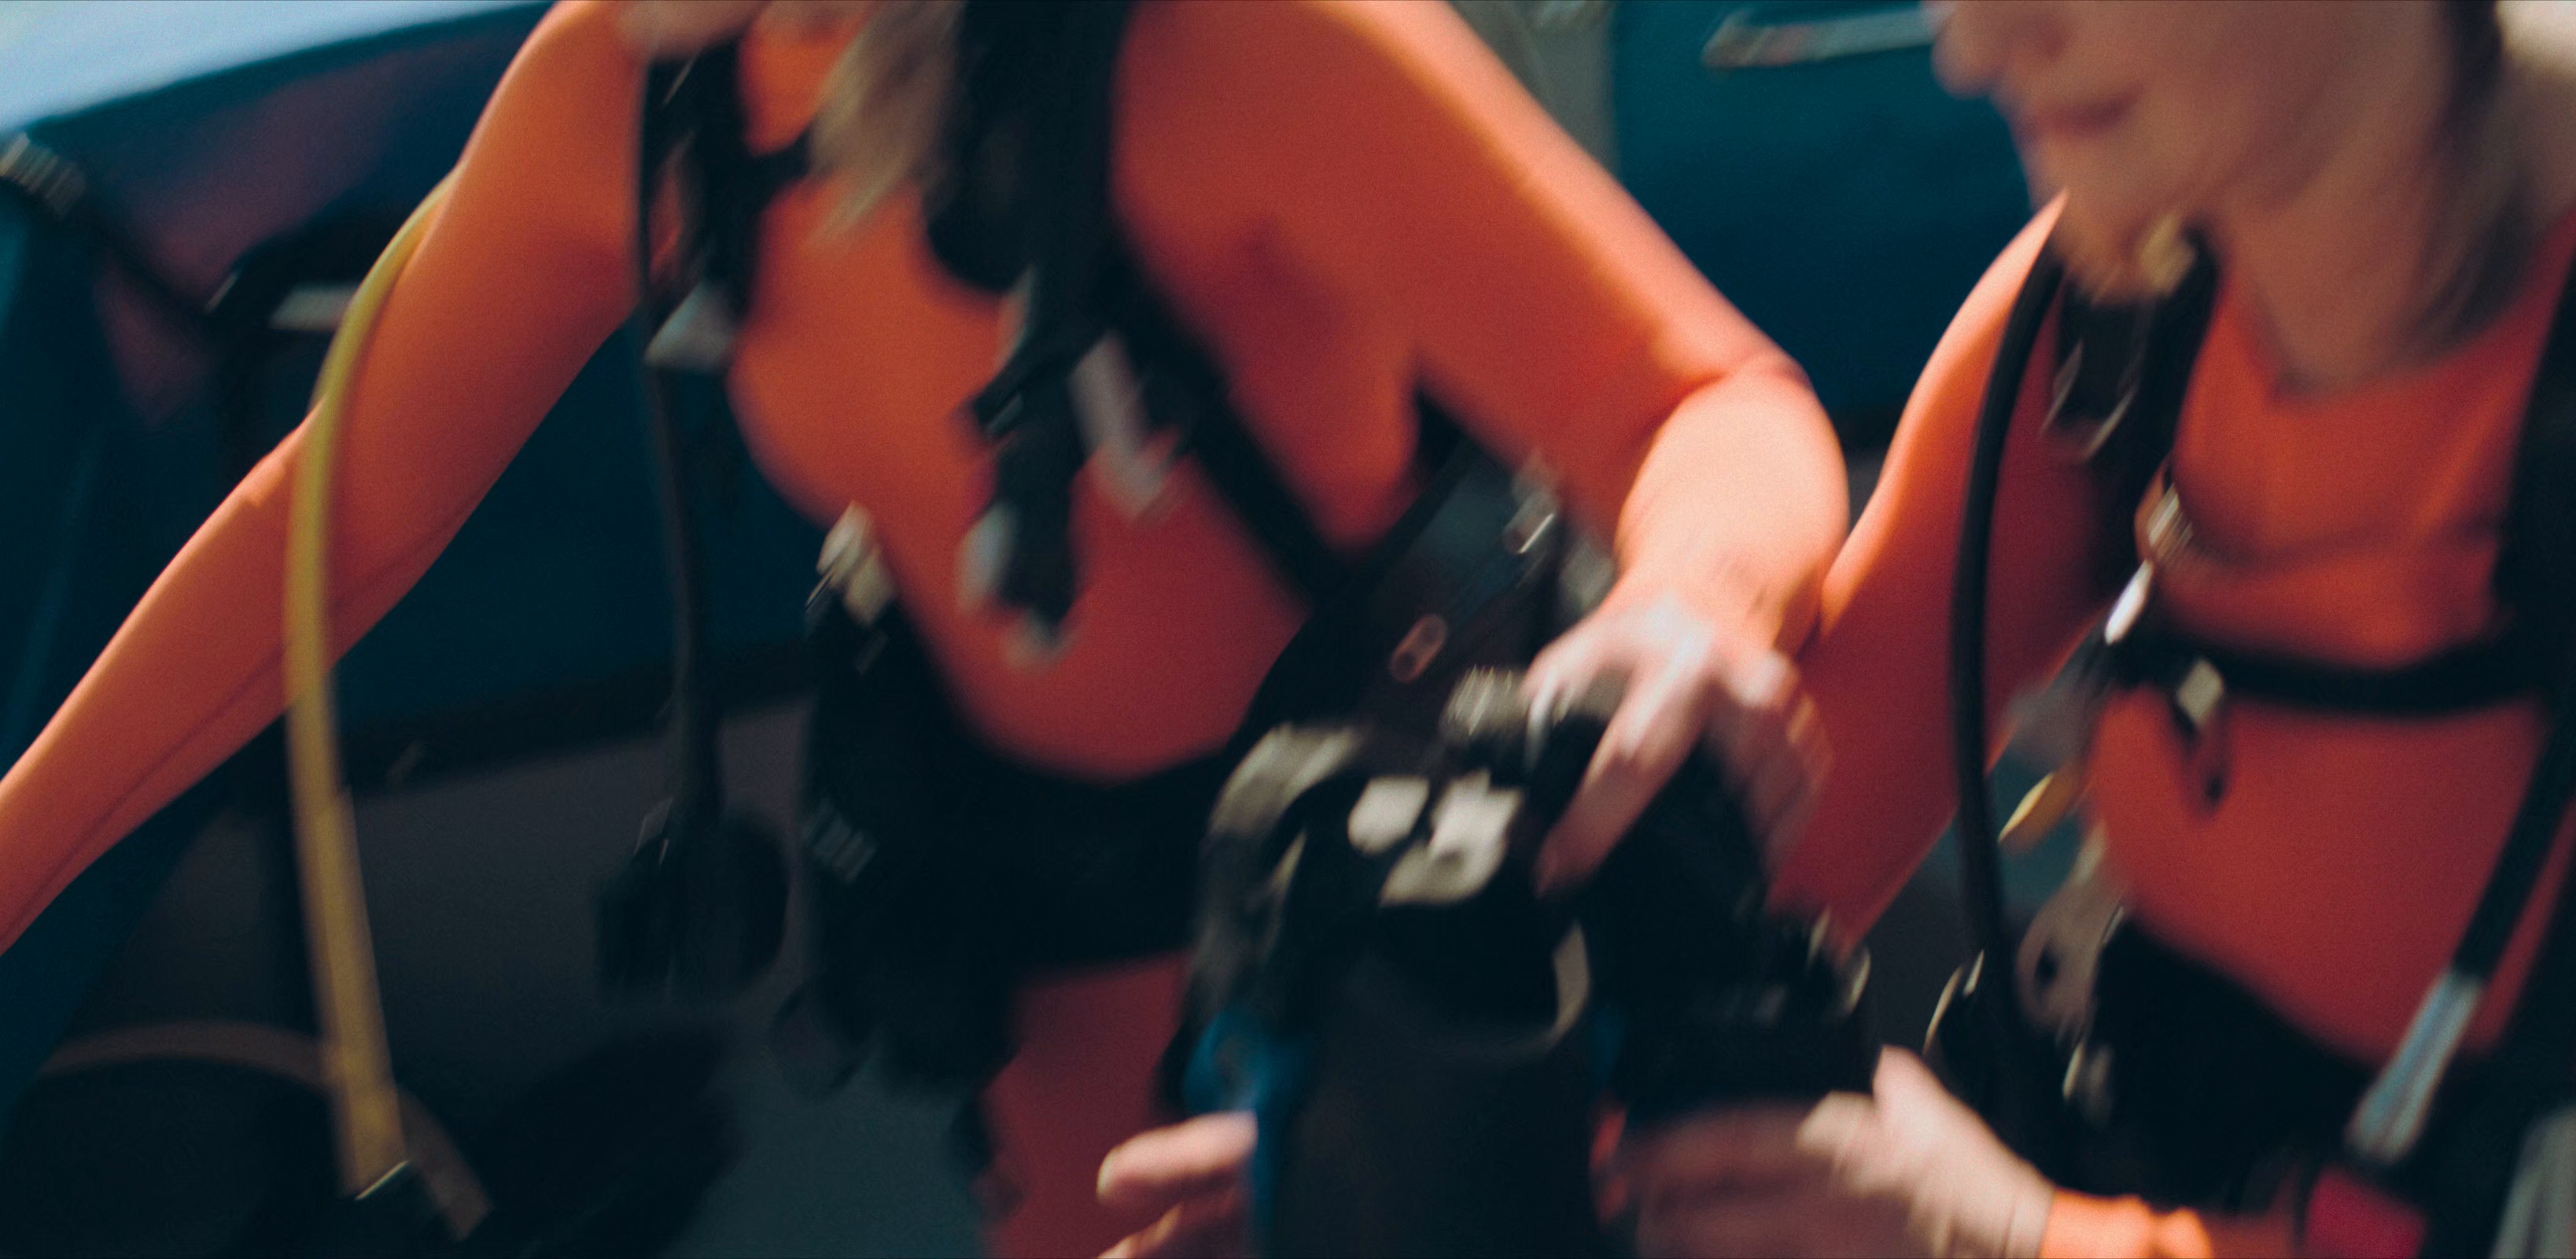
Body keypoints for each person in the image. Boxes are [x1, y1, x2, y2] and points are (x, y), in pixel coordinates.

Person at [1100, 2, 2576, 1255]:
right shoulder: (2126, 296)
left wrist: (2028, 1241)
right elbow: (1779, 830)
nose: (1971, 43)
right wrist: (1404, 1130)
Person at [0, 1, 1847, 1253]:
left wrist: (1696, 600)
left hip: (1395, 969)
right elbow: (337, 520)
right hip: (1029, 956)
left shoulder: (1230, 44)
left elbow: (1699, 402)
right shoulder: (640, 85)